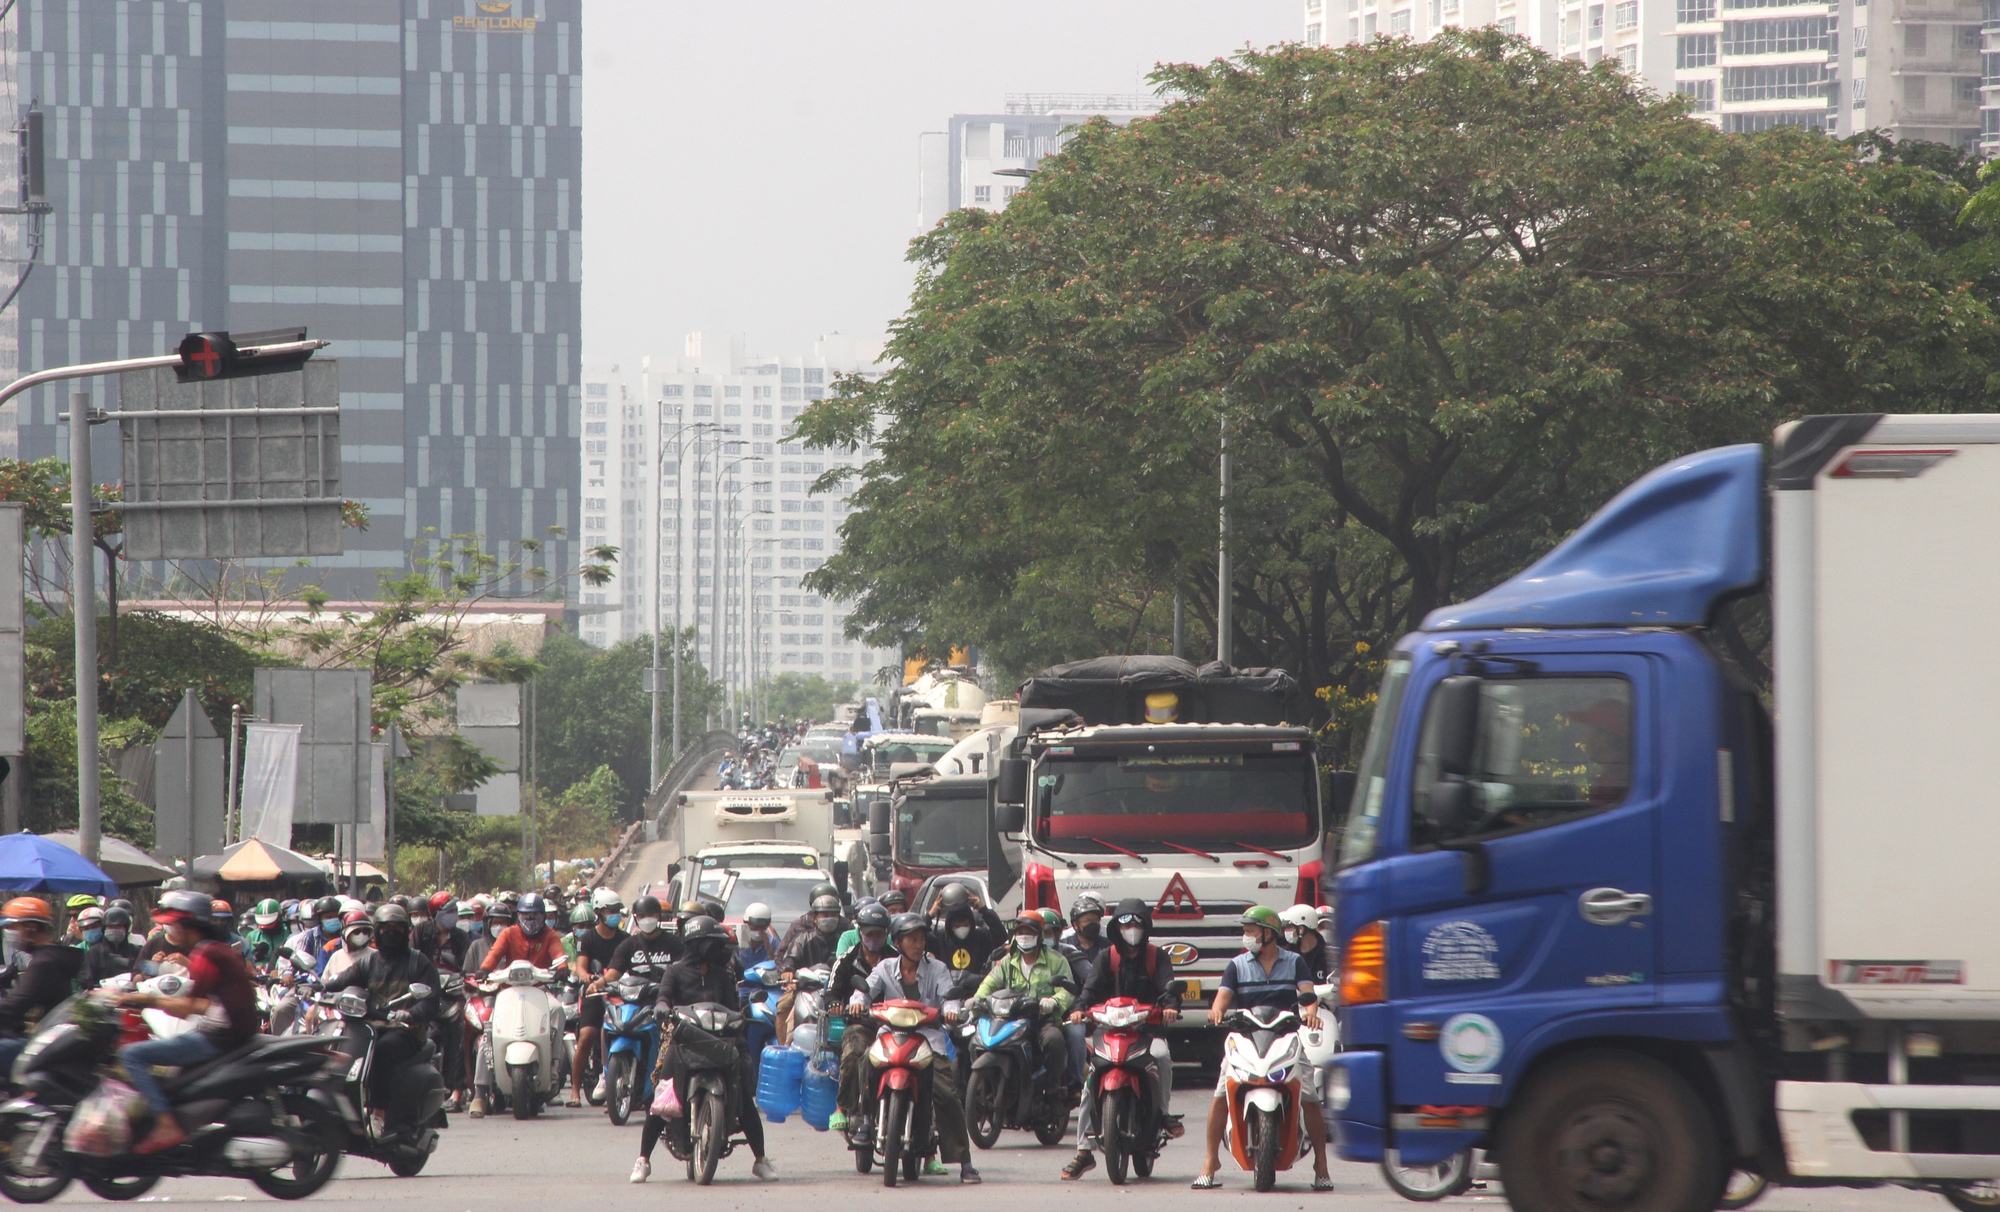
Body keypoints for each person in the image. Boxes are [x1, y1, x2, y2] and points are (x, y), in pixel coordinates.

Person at [1190, 906, 1333, 1191]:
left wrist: (1311, 1012)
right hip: (1244, 1038)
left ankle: (1321, 1164)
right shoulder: (1237, 965)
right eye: (1246, 931)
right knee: (1221, 1094)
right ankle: (1210, 1162)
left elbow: (1308, 995)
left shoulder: (1294, 962)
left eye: (1251, 931)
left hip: (1285, 1036)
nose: (1246, 936)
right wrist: (1217, 1012)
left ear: (1269, 934)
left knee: (1310, 1098)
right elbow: (1222, 997)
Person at [628, 916, 776, 1184]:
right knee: (663, 1098)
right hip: (683, 1040)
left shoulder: (725, 974)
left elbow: (733, 1006)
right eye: (712, 944)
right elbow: (664, 996)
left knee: (743, 1093)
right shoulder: (674, 971)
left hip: (723, 1041)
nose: (719, 950)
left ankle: (760, 1160)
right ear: (698, 944)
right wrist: (662, 1007)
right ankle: (643, 1159)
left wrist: (741, 1018)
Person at [115, 890, 259, 1154]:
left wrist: (143, 1000)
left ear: (188, 925)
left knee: (131, 1055)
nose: (169, 928)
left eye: (174, 923)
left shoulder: (207, 955)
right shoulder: (212, 950)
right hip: (223, 1031)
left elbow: (187, 1008)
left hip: (219, 1037)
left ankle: (166, 1123)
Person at [850, 912, 979, 1183]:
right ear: (898, 943)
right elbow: (865, 989)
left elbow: (949, 997)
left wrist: (951, 1011)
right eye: (912, 940)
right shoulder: (884, 968)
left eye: (921, 939)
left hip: (928, 1039)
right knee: (864, 1061)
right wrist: (858, 1001)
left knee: (946, 1091)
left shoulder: (938, 969)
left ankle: (965, 1161)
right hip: (890, 1034)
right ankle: (865, 1118)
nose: (919, 945)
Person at [1060, 898, 1183, 1180]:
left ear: (1146, 927)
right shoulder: (1107, 956)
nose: (1132, 930)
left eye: (1137, 924)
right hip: (1110, 1030)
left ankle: (1162, 1114)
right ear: (1116, 927)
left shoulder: (1156, 956)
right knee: (1092, 1080)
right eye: (1126, 924)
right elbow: (1089, 990)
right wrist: (1079, 1009)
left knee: (1162, 1058)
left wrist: (1170, 1007)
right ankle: (1082, 1151)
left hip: (1147, 1029)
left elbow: (1168, 987)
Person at [323, 903, 442, 1134]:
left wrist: (411, 1013)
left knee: (384, 1052)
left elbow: (431, 1001)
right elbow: (343, 979)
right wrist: (318, 985)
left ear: (407, 931)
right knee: (341, 1047)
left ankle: (379, 1113)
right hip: (370, 1027)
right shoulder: (369, 962)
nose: (392, 932)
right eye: (386, 928)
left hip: (406, 1031)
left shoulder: (419, 962)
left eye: (398, 927)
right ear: (377, 931)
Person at [471, 891, 566, 1117]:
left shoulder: (551, 936)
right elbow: (494, 954)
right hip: (509, 991)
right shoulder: (509, 933)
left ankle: (553, 1068)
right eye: (525, 916)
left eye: (534, 917)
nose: (530, 921)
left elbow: (559, 956)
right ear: (518, 916)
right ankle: (480, 1092)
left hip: (539, 991)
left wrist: (562, 969)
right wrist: (484, 969)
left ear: (543, 916)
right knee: (489, 1028)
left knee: (558, 1010)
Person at [974, 911, 1077, 1098]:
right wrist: (976, 1000)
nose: (1024, 937)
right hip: (1011, 1020)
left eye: (1029, 932)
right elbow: (990, 983)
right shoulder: (1008, 962)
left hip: (1043, 1020)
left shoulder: (1056, 961)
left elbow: (1067, 990)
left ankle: (1053, 1090)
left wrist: (1053, 1001)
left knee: (1053, 1040)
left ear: (1039, 935)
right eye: (1020, 932)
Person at [825, 902, 893, 1132]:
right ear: (860, 933)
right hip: (861, 1025)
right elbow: (832, 991)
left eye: (879, 934)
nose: (874, 938)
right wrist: (836, 1004)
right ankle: (842, 1107)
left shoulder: (896, 960)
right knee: (854, 1052)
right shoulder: (847, 959)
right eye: (869, 934)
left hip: (895, 1027)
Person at [0, 898, 83, 1075]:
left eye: (13, 927)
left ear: (32, 927)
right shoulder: (52, 956)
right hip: (46, 1038)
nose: (9, 933)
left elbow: (15, 1006)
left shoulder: (44, 963)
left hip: (41, 1044)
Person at [573, 888, 628, 1107]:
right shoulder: (588, 938)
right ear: (599, 912)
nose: (615, 914)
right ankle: (575, 1090)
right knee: (587, 1036)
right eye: (610, 911)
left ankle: (612, 1080)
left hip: (620, 993)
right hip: (595, 992)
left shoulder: (626, 940)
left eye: (617, 910)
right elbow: (580, 966)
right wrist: (586, 977)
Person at [928, 882, 1003, 993]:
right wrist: (930, 915)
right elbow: (917, 940)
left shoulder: (981, 937)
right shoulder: (941, 938)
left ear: (971, 923)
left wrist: (984, 910)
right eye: (957, 926)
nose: (961, 928)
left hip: (977, 992)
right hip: (947, 993)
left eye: (965, 924)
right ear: (950, 926)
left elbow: (1000, 935)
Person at [603, 895, 677, 984]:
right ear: (636, 918)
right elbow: (613, 975)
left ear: (658, 915)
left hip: (667, 995)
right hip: (636, 995)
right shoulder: (628, 945)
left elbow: (684, 971)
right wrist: (597, 984)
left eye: (651, 915)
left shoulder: (674, 943)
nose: (647, 919)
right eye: (642, 916)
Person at [774, 882, 843, 956]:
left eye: (833, 913)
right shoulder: (799, 926)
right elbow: (781, 954)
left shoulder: (844, 926)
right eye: (824, 913)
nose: (829, 917)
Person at [82, 906, 141, 986]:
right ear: (104, 929)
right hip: (100, 995)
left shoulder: (136, 951)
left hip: (129, 996)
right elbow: (86, 979)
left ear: (126, 929)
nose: (115, 930)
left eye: (119, 926)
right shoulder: (95, 952)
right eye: (111, 927)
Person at [1279, 905, 1335, 983]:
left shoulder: (1330, 954)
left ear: (1301, 929)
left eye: (1289, 927)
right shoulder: (1286, 955)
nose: (1286, 931)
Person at [242, 899, 287, 970]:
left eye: (270, 923)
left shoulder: (288, 934)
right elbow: (245, 960)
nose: (267, 928)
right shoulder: (251, 936)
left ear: (279, 918)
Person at [736, 902, 775, 969]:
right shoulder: (736, 941)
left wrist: (768, 947)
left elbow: (776, 964)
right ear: (746, 923)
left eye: (762, 928)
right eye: (755, 928)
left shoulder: (772, 942)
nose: (759, 932)